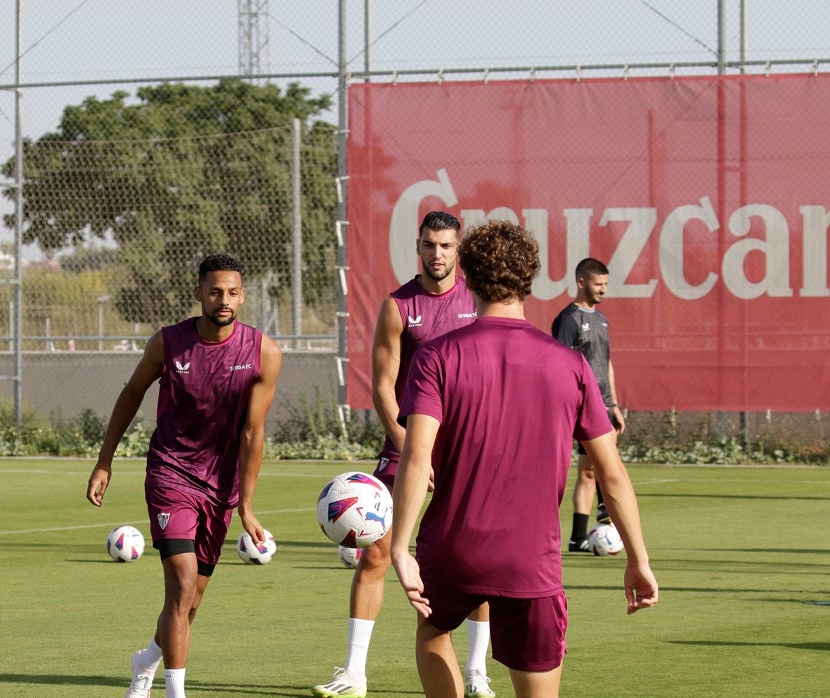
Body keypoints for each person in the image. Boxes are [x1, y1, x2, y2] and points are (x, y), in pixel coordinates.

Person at [388, 220, 659, 698]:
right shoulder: (570, 364)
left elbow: (416, 456)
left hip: (451, 549)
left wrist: (399, 546)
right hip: (530, 562)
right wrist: (638, 559)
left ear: (466, 275)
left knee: (433, 631)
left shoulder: (435, 356)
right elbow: (612, 475)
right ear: (530, 279)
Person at [313, 211, 495, 698]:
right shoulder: (398, 306)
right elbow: (381, 388)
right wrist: (410, 447)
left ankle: (476, 672)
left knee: (473, 559)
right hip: (405, 439)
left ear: (459, 250)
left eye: (447, 246)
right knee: (374, 551)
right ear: (418, 246)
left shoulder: (478, 300)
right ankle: (354, 674)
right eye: (430, 245)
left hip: (464, 445)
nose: (437, 254)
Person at [86, 253, 282, 698]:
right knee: (181, 582)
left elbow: (253, 433)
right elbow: (132, 393)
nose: (224, 300)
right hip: (170, 473)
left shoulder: (263, 353)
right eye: (215, 291)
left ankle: (147, 660)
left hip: (222, 486)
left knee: (189, 603)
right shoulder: (167, 343)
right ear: (198, 294)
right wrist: (105, 461)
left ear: (243, 295)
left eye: (232, 292)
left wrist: (247, 507)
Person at [551, 258, 627, 552]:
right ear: (581, 282)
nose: (603, 290)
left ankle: (579, 536)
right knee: (593, 468)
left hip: (603, 405)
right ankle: (603, 513)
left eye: (606, 285)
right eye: (599, 285)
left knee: (591, 468)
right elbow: (559, 364)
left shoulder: (602, 320)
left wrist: (615, 404)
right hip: (580, 404)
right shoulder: (567, 320)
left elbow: (606, 363)